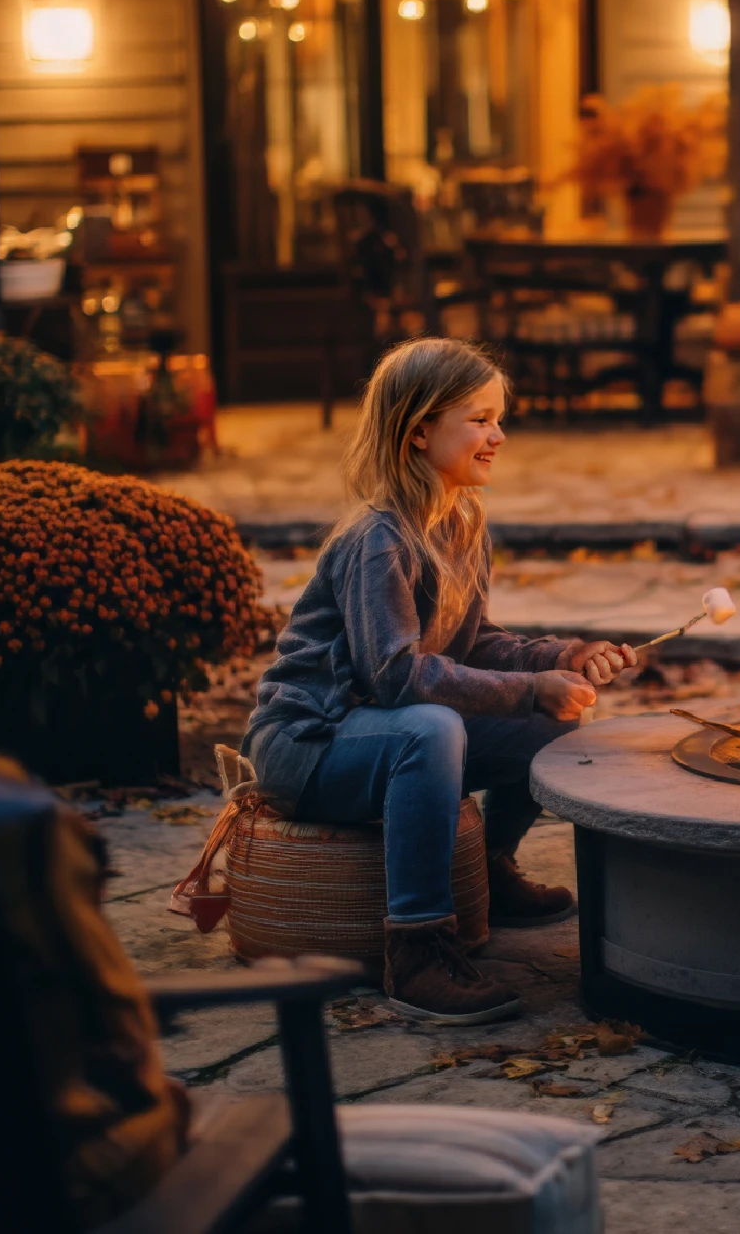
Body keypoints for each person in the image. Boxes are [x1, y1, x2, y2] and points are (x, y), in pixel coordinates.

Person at [243, 339, 638, 1024]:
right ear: (419, 429)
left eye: (498, 418)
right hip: (311, 739)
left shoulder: (462, 522)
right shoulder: (379, 539)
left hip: (382, 731)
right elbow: (395, 676)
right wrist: (525, 687)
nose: (499, 435)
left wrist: (562, 659)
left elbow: (475, 643)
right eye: (480, 419)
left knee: (551, 722)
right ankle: (418, 950)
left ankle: (487, 867)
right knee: (431, 727)